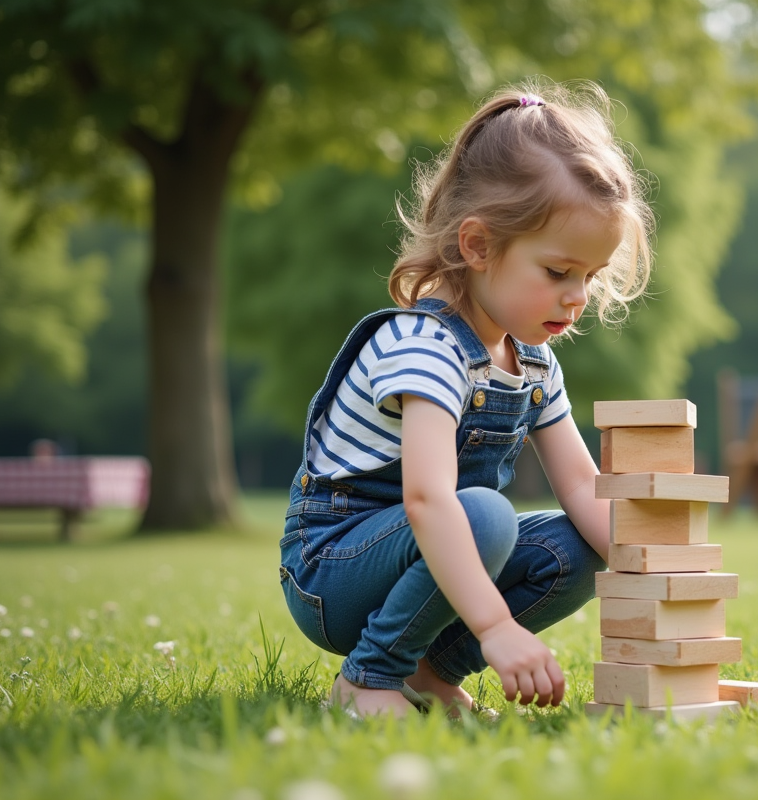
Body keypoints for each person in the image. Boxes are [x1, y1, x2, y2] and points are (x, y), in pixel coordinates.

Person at [279, 80, 654, 718]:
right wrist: (497, 627)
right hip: (335, 572)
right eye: (558, 272)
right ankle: (367, 678)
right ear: (478, 246)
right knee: (483, 514)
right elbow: (427, 501)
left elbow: (586, 492)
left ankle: (427, 672)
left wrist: (656, 571)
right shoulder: (424, 347)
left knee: (579, 548)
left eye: (589, 277)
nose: (577, 297)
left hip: (436, 553)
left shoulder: (534, 362)